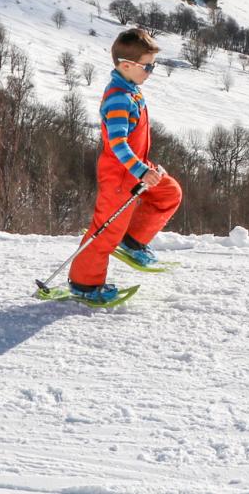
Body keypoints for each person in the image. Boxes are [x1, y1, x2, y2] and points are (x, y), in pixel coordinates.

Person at [67, 27, 182, 304]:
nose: (151, 72)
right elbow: (118, 144)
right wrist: (140, 170)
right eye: (148, 67)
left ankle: (132, 241)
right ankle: (85, 284)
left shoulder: (131, 88)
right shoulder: (119, 97)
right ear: (127, 66)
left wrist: (146, 168)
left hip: (137, 167)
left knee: (169, 193)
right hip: (120, 174)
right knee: (106, 231)